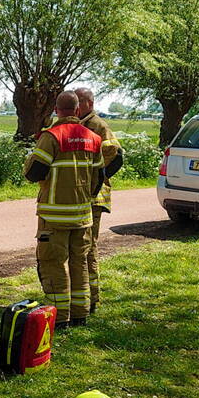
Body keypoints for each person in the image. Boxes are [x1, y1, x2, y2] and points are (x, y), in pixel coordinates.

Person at [23, 91, 104, 329]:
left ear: (57, 110)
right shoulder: (92, 138)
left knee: (53, 263)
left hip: (54, 217)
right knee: (79, 263)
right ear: (78, 110)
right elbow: (99, 177)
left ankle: (59, 317)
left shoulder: (52, 136)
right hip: (83, 216)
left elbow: (33, 172)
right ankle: (80, 313)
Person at [75, 87, 124, 313]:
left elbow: (116, 156)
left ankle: (92, 299)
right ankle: (83, 295)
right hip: (84, 196)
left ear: (89, 104)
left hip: (94, 198)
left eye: (79, 102)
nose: (75, 106)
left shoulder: (97, 126)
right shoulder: (81, 124)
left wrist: (96, 179)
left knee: (88, 247)